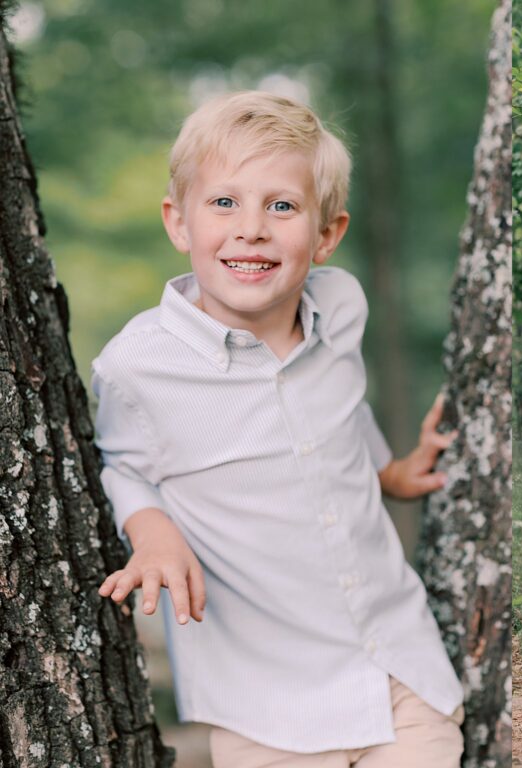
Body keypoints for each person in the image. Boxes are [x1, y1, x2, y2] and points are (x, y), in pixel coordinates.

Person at [93, 91, 465, 766]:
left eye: (283, 206)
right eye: (225, 202)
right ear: (178, 222)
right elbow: (118, 463)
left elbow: (341, 410)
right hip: (265, 704)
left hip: (398, 666)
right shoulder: (137, 367)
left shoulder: (342, 306)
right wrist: (151, 532)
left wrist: (390, 473)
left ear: (327, 234)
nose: (253, 228)